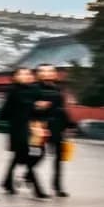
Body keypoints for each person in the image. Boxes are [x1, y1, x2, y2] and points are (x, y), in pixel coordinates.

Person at [0, 67, 48, 198]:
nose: (26, 75)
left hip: (33, 129)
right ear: (15, 77)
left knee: (33, 155)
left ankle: (7, 182)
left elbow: (39, 111)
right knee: (27, 156)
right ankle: (37, 189)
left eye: (28, 73)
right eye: (22, 73)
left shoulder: (35, 90)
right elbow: (5, 109)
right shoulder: (13, 91)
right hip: (19, 130)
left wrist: (41, 108)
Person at [33, 64, 72, 197]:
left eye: (51, 71)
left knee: (59, 158)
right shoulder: (35, 89)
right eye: (44, 71)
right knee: (38, 155)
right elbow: (30, 109)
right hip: (41, 128)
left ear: (55, 74)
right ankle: (29, 174)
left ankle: (57, 186)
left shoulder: (58, 89)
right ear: (38, 74)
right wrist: (38, 107)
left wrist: (68, 124)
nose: (47, 73)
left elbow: (61, 109)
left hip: (57, 127)